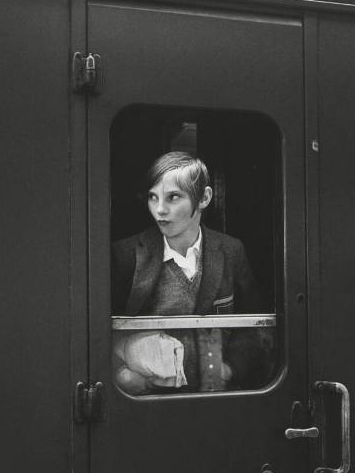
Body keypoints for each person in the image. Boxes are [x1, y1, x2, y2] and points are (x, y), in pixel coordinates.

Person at [111, 152, 260, 395]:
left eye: (173, 197)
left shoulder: (232, 251)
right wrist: (123, 377)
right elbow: (99, 335)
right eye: (153, 197)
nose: (159, 209)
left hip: (216, 398)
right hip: (145, 404)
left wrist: (231, 368)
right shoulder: (124, 255)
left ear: (204, 198)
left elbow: (256, 325)